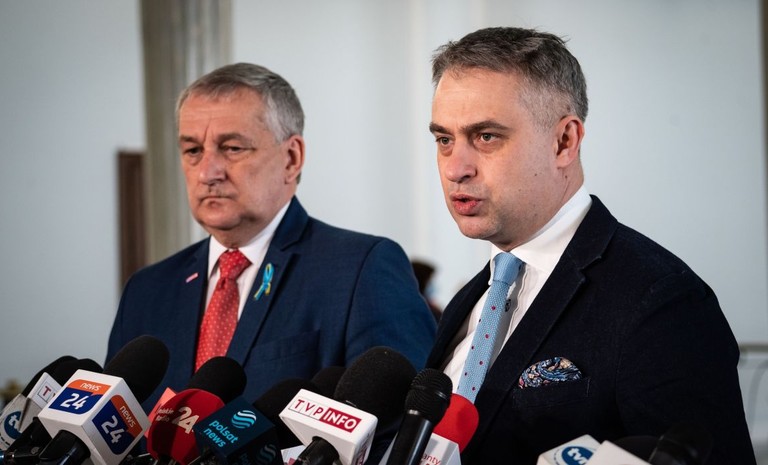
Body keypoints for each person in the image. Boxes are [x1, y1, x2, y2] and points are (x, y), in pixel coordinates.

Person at [425, 27, 755, 464]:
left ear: (565, 141)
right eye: (444, 140)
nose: (456, 169)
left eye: (486, 136)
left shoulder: (661, 301)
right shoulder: (471, 299)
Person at [107, 63, 437, 412]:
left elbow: (403, 425)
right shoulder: (147, 290)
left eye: (232, 148)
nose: (207, 172)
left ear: (291, 159)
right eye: (193, 151)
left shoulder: (362, 270)